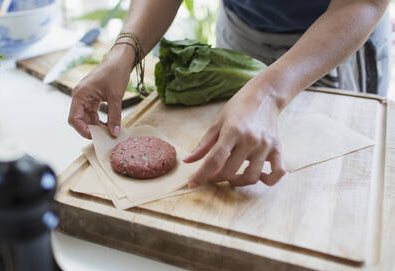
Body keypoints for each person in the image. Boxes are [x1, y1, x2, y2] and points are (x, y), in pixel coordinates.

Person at [68, 0, 391, 188]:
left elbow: (364, 1)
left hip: (332, 42)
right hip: (241, 27)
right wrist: (125, 49)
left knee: (328, 174)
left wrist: (267, 92)